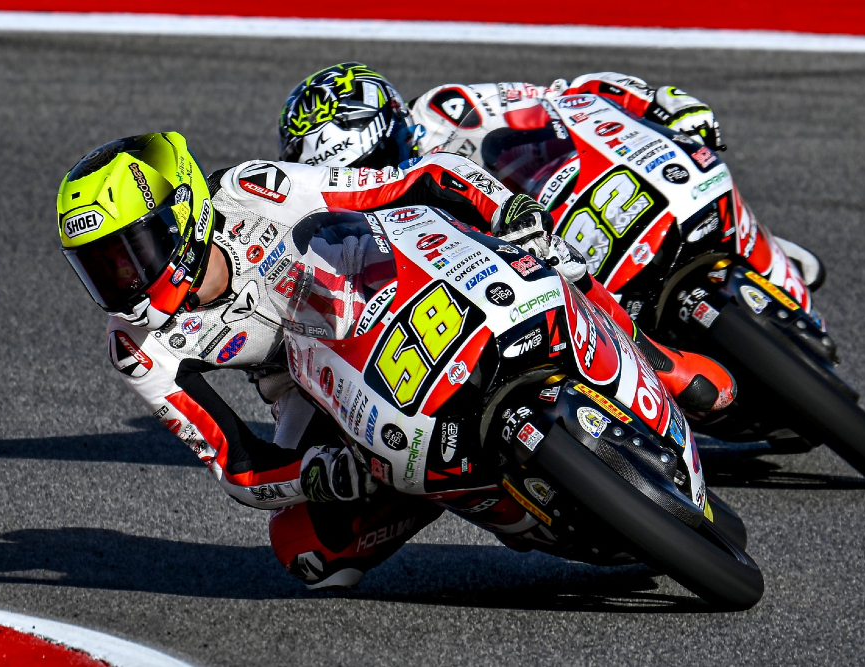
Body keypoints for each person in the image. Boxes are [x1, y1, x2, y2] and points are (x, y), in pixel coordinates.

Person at [56, 131, 735, 590]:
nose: (122, 282)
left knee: (551, 259)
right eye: (100, 269)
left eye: (129, 253)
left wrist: (507, 210)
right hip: (308, 383)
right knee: (307, 552)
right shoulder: (137, 347)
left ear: (181, 216)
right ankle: (435, 485)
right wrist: (319, 475)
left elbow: (415, 177)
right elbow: (236, 465)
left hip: (379, 286)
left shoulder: (256, 191)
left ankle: (654, 359)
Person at [277, 63, 824, 292]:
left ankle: (759, 245)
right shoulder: (365, 225)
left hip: (584, 204)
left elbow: (561, 97)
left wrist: (653, 101)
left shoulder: (445, 110)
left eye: (370, 162)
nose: (368, 178)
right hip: (532, 281)